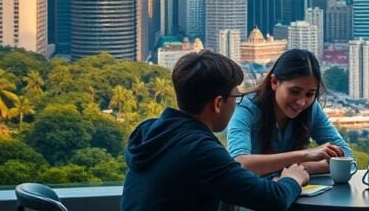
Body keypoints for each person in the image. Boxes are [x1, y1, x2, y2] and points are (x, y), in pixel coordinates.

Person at [121, 50, 309, 211]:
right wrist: (292, 179)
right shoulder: (198, 149)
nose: (236, 104)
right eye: (236, 97)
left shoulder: (152, 132)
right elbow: (273, 199)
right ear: (218, 103)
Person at [227, 48, 353, 176]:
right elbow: (238, 164)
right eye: (294, 91)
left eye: (310, 94)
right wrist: (305, 155)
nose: (301, 102)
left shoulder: (312, 109)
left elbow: (346, 156)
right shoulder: (247, 109)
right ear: (274, 82)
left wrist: (303, 167)